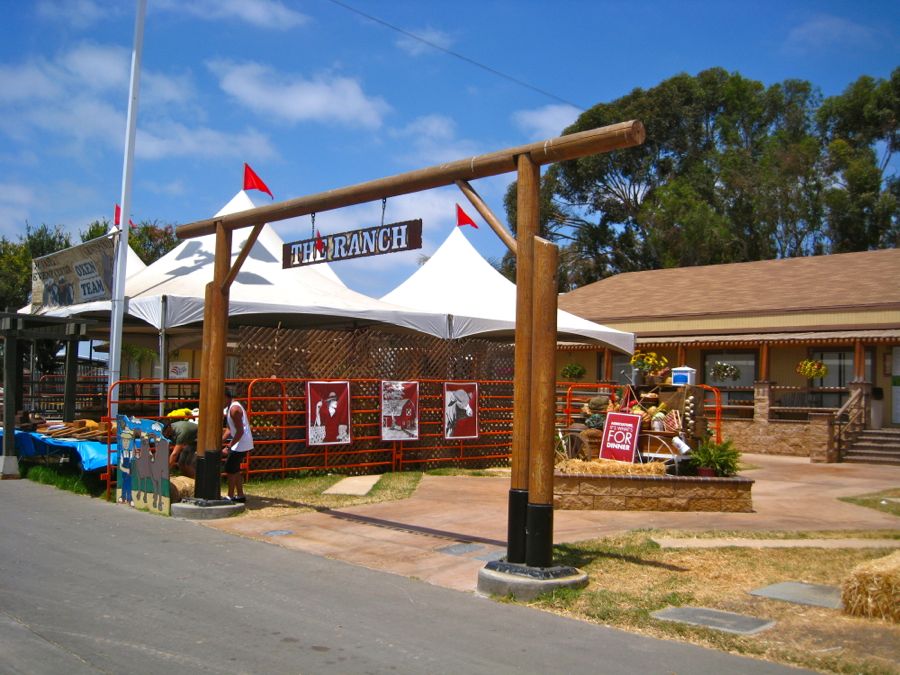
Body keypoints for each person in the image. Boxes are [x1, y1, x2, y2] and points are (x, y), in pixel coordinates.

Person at [222, 389, 253, 503]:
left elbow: (240, 431)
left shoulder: (234, 409)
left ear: (226, 396)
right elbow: (229, 429)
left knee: (230, 469)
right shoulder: (229, 408)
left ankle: (230, 495)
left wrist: (228, 447)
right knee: (235, 470)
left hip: (242, 443)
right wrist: (220, 441)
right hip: (240, 442)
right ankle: (240, 495)